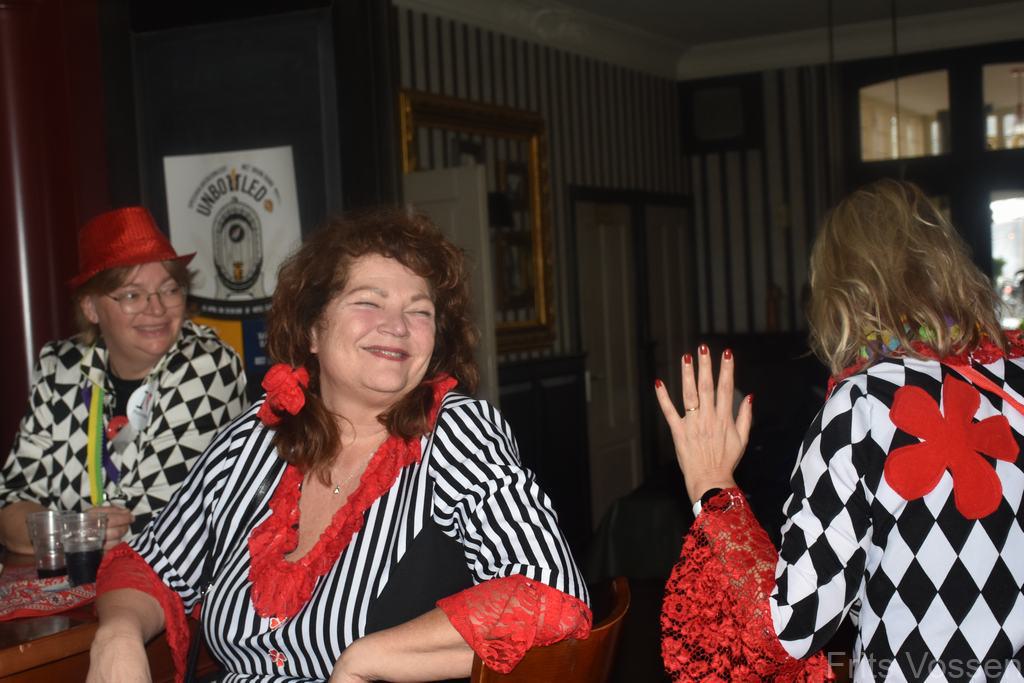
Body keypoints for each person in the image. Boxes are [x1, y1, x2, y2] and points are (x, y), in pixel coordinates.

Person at [87, 208, 591, 682]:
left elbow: (548, 594)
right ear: (312, 329)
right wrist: (118, 633)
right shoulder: (254, 437)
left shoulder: (454, 432)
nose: (397, 326)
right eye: (369, 302)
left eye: (419, 312)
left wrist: (370, 658)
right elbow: (150, 564)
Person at [656, 180, 1024, 681]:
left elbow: (791, 626)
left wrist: (712, 487)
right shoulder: (1016, 378)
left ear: (840, 293)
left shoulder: (864, 405)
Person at [0, 207, 248, 554]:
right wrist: (81, 531)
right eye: (132, 295)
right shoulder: (61, 368)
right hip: (78, 583)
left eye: (169, 289)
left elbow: (160, 524)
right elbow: (10, 505)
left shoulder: (208, 366)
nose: (157, 309)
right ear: (90, 307)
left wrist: (59, 530)